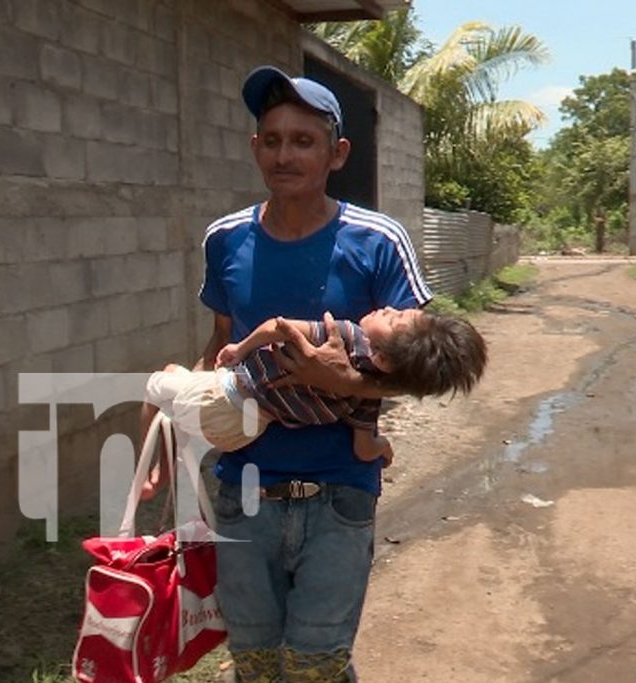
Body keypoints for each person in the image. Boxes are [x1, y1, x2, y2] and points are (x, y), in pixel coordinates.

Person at [194, 65, 434, 682]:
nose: (284, 153)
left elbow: (422, 366)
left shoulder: (378, 240)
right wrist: (183, 423)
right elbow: (219, 345)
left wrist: (344, 385)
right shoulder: (225, 240)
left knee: (316, 667)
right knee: (254, 664)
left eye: (303, 140)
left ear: (337, 153)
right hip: (243, 492)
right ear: (254, 148)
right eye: (271, 139)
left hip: (340, 495)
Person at [139, 306, 487, 499]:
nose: (388, 308)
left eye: (393, 319)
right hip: (241, 433)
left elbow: (279, 326)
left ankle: (155, 471)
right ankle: (167, 467)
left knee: (163, 380)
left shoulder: (343, 336)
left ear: (382, 358)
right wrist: (384, 448)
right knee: (178, 416)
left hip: (223, 397)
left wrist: (240, 347)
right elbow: (366, 448)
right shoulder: (367, 398)